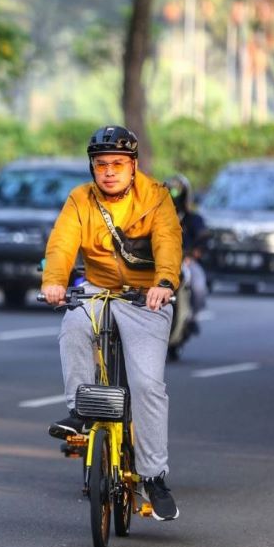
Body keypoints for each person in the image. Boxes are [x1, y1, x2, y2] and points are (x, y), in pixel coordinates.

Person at [41, 125, 183, 521]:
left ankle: (154, 477)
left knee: (148, 385)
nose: (108, 172)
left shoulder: (156, 197)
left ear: (133, 166)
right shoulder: (80, 199)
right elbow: (62, 243)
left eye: (118, 164)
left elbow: (169, 242)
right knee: (72, 325)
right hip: (98, 291)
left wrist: (164, 284)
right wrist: (54, 282)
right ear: (92, 167)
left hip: (145, 297)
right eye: (101, 165)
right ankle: (80, 414)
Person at [163, 174, 208, 331]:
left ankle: (191, 318)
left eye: (176, 193)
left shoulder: (193, 219)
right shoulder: (159, 218)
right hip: (162, 261)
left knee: (198, 285)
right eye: (170, 192)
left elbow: (203, 238)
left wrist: (193, 254)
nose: (174, 198)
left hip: (186, 261)